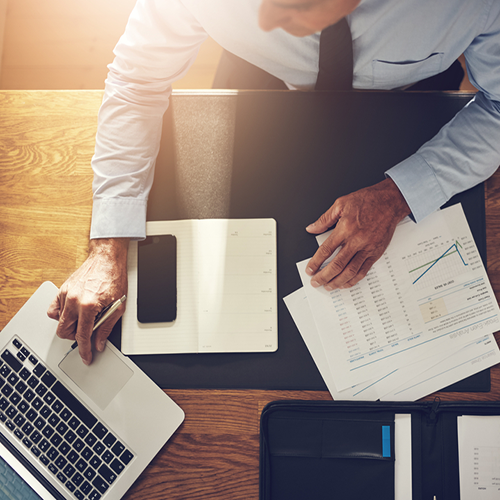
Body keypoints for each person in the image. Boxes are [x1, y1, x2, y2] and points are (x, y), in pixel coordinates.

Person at [47, 0, 500, 365]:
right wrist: (108, 243)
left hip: (407, 106)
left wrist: (401, 193)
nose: (261, 15)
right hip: (257, 87)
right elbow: (136, 80)